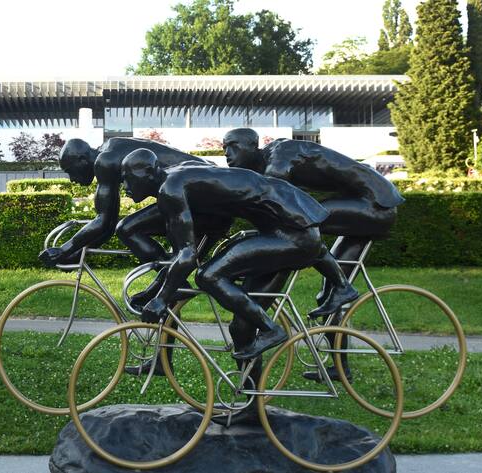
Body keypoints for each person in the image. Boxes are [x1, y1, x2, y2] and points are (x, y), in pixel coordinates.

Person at [223, 128, 405, 381]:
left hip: (376, 204)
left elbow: (275, 202)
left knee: (305, 226)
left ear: (254, 145)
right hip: (363, 203)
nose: (227, 154)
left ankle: (340, 286)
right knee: (327, 295)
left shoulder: (280, 155)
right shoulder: (263, 165)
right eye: (224, 148)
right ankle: (341, 369)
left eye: (233, 146)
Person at [41, 137, 233, 376]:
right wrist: (75, 252)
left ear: (83, 159)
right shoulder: (112, 148)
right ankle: (163, 361)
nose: (71, 179)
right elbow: (104, 227)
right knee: (165, 280)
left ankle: (170, 277)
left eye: (70, 170)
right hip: (209, 196)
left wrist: (65, 249)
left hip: (206, 201)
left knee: (128, 229)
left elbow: (104, 223)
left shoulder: (105, 161)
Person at [121, 148, 329, 366]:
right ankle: (252, 398)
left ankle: (271, 329)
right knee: (240, 325)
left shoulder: (170, 189)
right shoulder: (178, 177)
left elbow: (187, 254)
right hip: (287, 229)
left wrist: (161, 300)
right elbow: (193, 246)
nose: (125, 187)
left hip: (293, 234)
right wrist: (159, 289)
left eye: (127, 179)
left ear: (148, 172)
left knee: (208, 276)